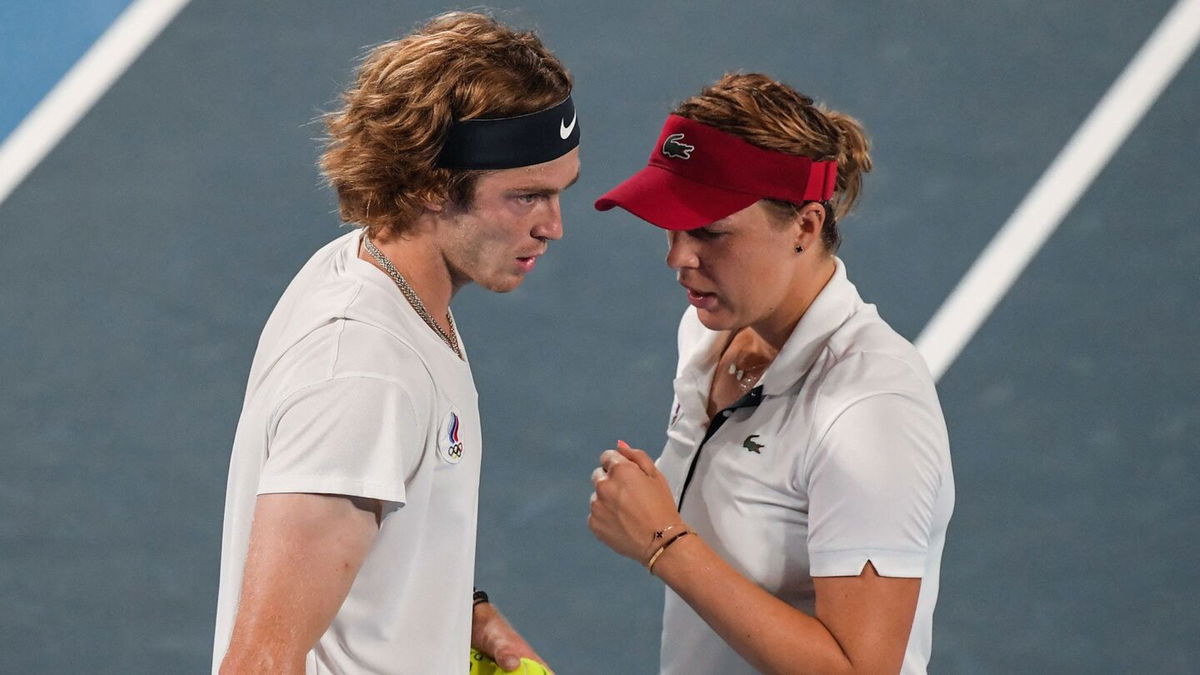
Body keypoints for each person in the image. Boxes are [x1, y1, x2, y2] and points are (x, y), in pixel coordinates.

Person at [212, 12, 580, 674]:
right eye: (526, 197)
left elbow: (371, 542)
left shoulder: (376, 276)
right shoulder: (365, 371)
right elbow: (258, 662)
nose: (553, 225)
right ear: (434, 186)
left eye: (559, 192)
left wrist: (469, 621)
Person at [588, 73, 953, 674]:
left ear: (805, 227)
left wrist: (663, 543)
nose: (679, 257)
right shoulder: (709, 332)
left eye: (709, 231)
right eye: (672, 226)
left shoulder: (870, 408)